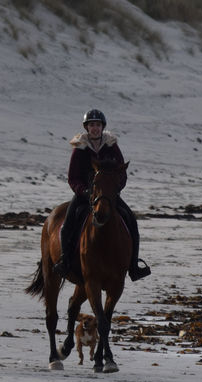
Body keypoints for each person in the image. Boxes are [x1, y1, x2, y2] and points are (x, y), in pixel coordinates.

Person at [52, 108, 150, 282]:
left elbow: (122, 172)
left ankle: (134, 266)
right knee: (68, 224)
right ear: (86, 127)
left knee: (131, 221)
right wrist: (84, 191)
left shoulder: (111, 145)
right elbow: (73, 177)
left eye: (97, 125)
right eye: (91, 125)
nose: (95, 128)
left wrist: (114, 189)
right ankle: (65, 261)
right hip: (85, 195)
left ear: (102, 127)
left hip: (108, 196)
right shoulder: (80, 148)